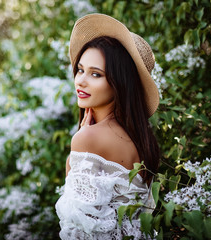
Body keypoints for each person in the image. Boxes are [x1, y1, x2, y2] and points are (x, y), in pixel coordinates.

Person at [55, 13, 160, 240]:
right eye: (80, 70)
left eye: (96, 74)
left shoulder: (88, 139)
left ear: (119, 83)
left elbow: (75, 230)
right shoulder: (143, 140)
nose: (81, 80)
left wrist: (82, 137)